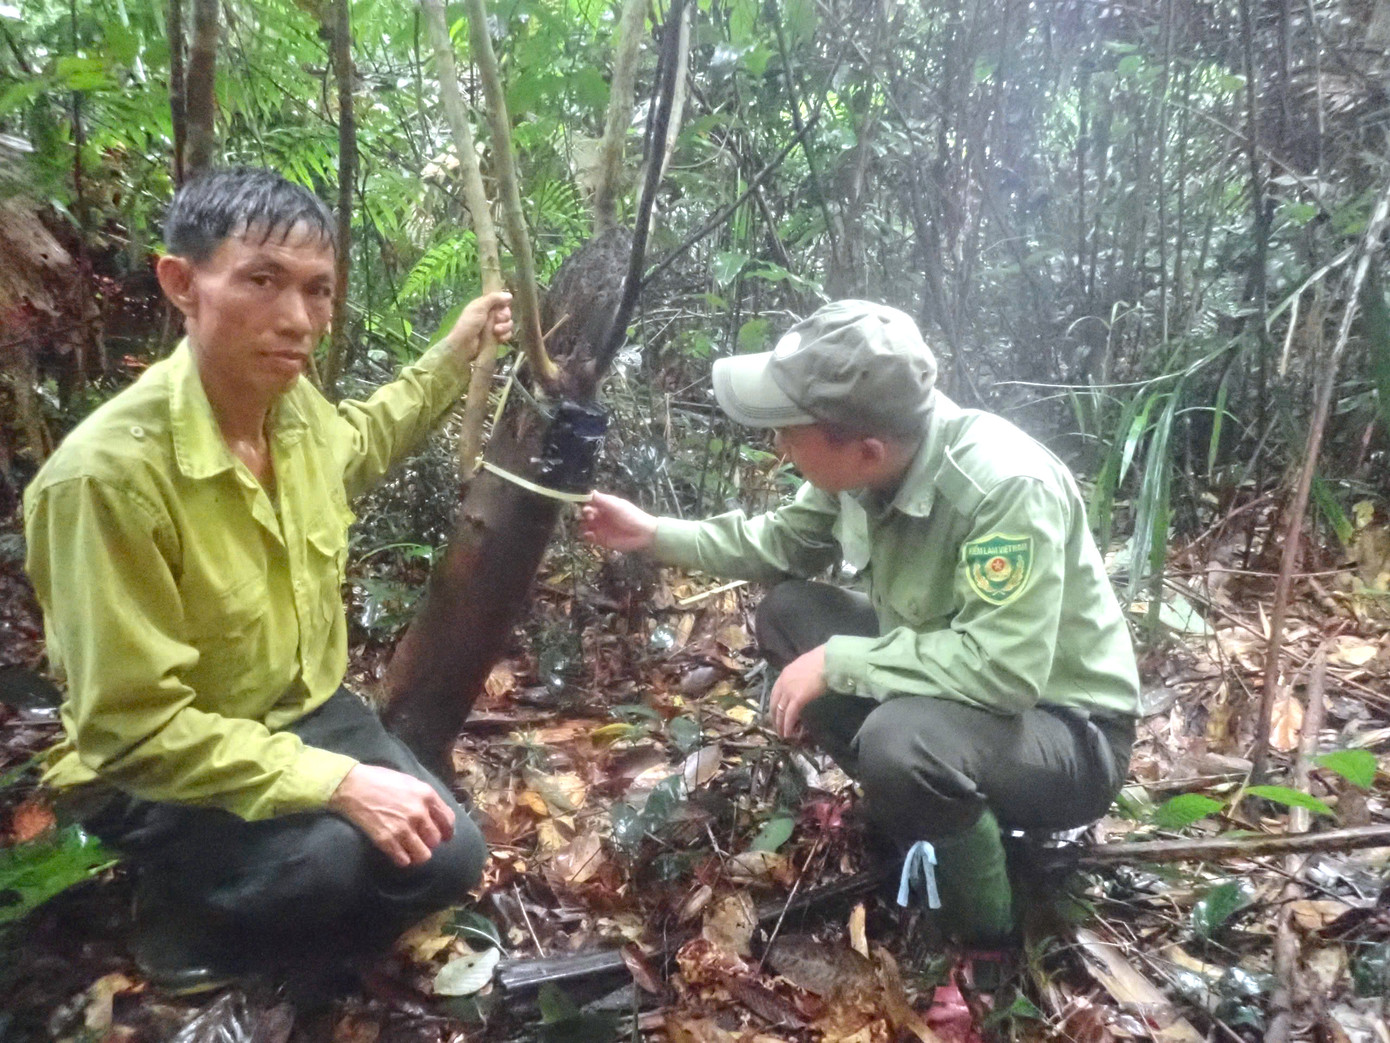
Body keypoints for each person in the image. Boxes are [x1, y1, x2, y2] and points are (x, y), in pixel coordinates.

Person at [23, 167, 512, 992]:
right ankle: (177, 913)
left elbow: (357, 443)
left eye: (318, 291)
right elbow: (129, 732)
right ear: (182, 282)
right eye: (261, 280)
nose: (298, 320)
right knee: (320, 865)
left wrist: (456, 349)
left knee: (450, 853)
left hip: (304, 711)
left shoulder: (292, 407)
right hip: (155, 764)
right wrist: (343, 783)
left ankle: (283, 918)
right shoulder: (103, 480)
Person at [580, 300, 1139, 945]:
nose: (779, 444)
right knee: (791, 616)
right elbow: (777, 543)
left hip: (1067, 731)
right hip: (963, 696)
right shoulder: (866, 461)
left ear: (867, 450)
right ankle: (926, 814)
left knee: (900, 743)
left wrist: (841, 662)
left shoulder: (1004, 487)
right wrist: (651, 533)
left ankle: (982, 934)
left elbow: (1005, 671)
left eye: (791, 431)